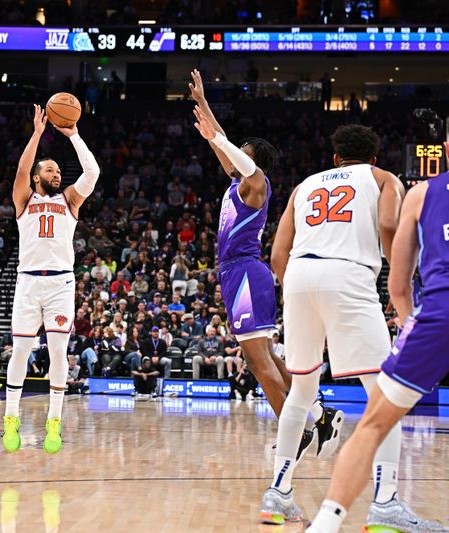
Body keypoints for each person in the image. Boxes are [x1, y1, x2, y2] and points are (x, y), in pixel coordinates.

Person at [260, 125, 417, 526]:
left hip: (299, 276)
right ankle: (385, 504)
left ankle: (278, 494)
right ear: (375, 158)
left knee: (301, 390)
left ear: (334, 158)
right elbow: (387, 226)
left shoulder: (304, 186)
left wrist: (301, 290)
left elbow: (278, 253)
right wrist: (394, 273)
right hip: (348, 275)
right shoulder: (382, 179)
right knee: (385, 392)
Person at [190, 69, 338, 443]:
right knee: (270, 359)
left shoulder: (258, 184)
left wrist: (221, 141)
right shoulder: (235, 185)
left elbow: (232, 152)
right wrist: (203, 103)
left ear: (252, 161)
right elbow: (220, 144)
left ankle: (295, 435)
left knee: (259, 364)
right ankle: (319, 414)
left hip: (245, 274)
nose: (235, 155)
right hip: (238, 274)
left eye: (243, 154)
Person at [306, 169, 449, 532]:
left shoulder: (421, 194)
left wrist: (411, 331)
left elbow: (398, 286)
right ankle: (384, 504)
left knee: (372, 424)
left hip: (438, 316)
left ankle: (326, 524)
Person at [3, 104, 100, 455]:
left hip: (60, 284)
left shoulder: (70, 199)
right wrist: (37, 134)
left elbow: (92, 171)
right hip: (28, 283)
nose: (57, 173)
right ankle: (11, 415)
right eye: (50, 169)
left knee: (59, 351)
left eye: (59, 170)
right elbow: (21, 166)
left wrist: (72, 134)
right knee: (22, 350)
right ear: (36, 176)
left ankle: (54, 420)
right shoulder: (24, 198)